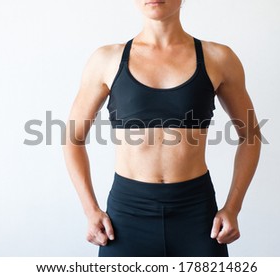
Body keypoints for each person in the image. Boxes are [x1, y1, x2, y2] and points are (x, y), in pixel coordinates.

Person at [63, 0, 262, 257]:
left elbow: (250, 135)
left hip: (197, 216)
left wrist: (233, 208)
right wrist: (90, 210)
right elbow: (73, 138)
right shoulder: (106, 60)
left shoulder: (218, 58)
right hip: (126, 217)